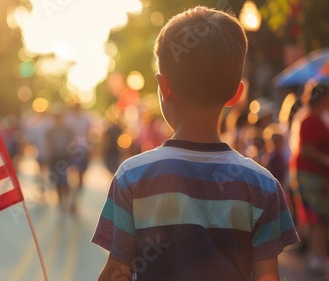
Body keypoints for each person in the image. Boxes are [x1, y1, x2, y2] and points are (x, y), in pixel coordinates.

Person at [92, 7, 299, 281]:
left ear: (163, 87)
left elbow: (117, 272)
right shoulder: (263, 185)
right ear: (237, 93)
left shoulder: (132, 177)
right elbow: (268, 277)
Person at [294, 83, 329, 273]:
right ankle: (317, 257)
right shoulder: (309, 120)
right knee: (318, 216)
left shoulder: (318, 118)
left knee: (321, 217)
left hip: (318, 174)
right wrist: (325, 159)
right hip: (312, 174)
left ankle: (319, 256)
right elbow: (306, 149)